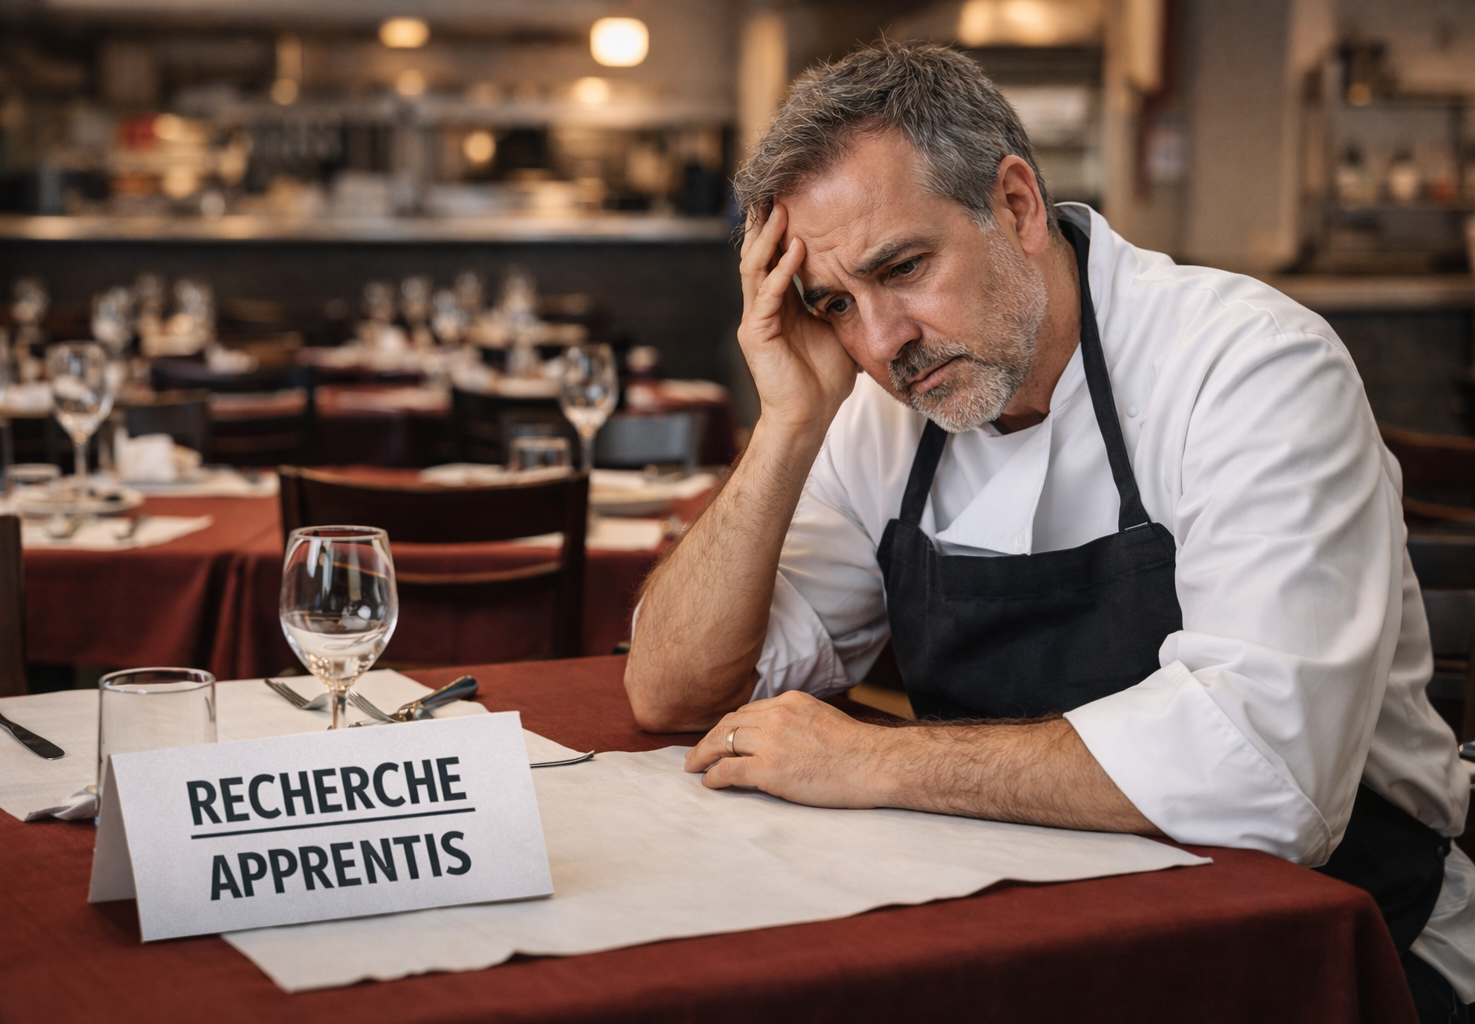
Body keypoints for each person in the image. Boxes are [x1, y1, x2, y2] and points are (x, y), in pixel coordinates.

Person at [623, 41, 1475, 1021]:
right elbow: (672, 691)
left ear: (1018, 205)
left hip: (1330, 953)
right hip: (1030, 936)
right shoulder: (874, 413)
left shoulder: (1248, 368)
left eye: (904, 267)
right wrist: (787, 425)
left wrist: (870, 759)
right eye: (836, 304)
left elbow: (1270, 776)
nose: (882, 341)